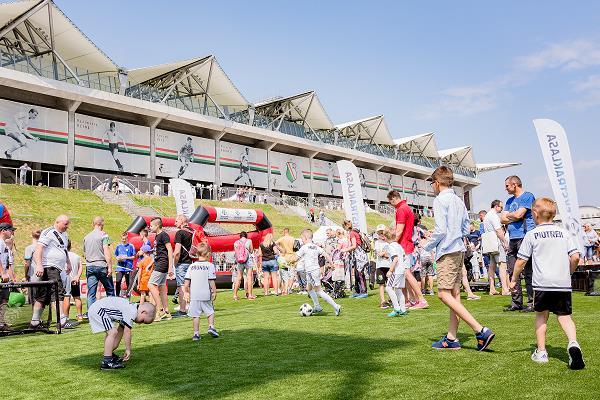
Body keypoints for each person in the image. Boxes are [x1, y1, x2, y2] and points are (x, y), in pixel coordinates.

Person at [424, 166, 495, 351]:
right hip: (458, 249)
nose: (432, 186)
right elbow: (466, 227)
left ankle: (480, 329)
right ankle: (452, 338)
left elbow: (440, 230)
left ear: (437, 183)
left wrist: (427, 246)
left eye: (432, 182)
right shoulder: (457, 200)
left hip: (447, 250)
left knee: (443, 294)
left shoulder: (440, 200)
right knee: (454, 294)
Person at [509, 198, 584, 369]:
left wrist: (513, 279)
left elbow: (521, 261)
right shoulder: (564, 233)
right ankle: (573, 344)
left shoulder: (532, 234)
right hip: (562, 283)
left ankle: (541, 352)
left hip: (542, 284)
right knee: (565, 317)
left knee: (541, 316)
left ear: (535, 214)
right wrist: (569, 272)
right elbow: (575, 257)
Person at [29, 215, 79, 330]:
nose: (67, 226)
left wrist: (68, 262)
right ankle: (62, 319)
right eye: (65, 224)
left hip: (57, 268)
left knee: (43, 296)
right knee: (57, 291)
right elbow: (39, 249)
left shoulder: (65, 235)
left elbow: (64, 250)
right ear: (57, 222)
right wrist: (39, 265)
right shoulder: (48, 232)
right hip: (49, 266)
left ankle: (34, 322)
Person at [88, 296, 155, 370]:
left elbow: (121, 330)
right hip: (98, 310)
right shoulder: (132, 311)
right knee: (112, 332)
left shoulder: (132, 308)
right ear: (143, 312)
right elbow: (127, 331)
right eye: (143, 321)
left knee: (113, 332)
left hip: (98, 309)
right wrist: (128, 349)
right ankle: (106, 362)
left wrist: (114, 347)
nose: (140, 323)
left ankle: (109, 354)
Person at [387, 190, 428, 309]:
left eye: (390, 202)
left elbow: (399, 230)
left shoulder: (401, 209)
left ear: (394, 198)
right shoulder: (406, 208)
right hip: (405, 244)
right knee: (404, 274)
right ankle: (410, 300)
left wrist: (393, 243)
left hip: (404, 246)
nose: (391, 204)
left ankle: (421, 300)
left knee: (406, 273)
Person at [500, 175, 536, 312]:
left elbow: (518, 215)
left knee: (528, 272)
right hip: (513, 239)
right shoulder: (509, 200)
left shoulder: (527, 196)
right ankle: (516, 303)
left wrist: (510, 216)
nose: (506, 188)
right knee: (511, 271)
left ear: (515, 184)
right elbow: (502, 219)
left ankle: (532, 302)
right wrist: (512, 216)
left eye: (507, 186)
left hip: (525, 237)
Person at [296, 229, 341, 316]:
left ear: (305, 237)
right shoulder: (315, 246)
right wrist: (332, 264)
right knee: (309, 288)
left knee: (319, 291)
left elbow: (296, 258)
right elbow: (326, 255)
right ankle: (317, 306)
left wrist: (289, 260)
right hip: (313, 271)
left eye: (302, 238)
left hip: (311, 271)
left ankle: (336, 306)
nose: (302, 240)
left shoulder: (304, 247)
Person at [183, 243, 219, 341]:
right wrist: (214, 292)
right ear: (207, 254)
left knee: (195, 315)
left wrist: (186, 292)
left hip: (194, 295)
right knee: (210, 311)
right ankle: (211, 326)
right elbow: (211, 281)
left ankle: (196, 334)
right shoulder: (210, 266)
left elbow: (186, 282)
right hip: (205, 294)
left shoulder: (192, 266)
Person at [83, 217, 115, 311]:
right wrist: (109, 266)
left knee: (91, 293)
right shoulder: (104, 235)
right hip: (101, 265)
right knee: (110, 290)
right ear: (102, 224)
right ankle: (112, 311)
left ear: (93, 224)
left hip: (90, 266)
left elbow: (85, 253)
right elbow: (106, 251)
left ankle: (91, 314)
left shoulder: (86, 237)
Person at [482, 200, 511, 295]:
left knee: (492, 265)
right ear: (496, 206)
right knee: (503, 265)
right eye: (501, 207)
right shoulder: (493, 216)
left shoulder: (486, 217)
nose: (501, 210)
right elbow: (498, 230)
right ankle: (505, 289)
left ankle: (492, 288)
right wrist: (505, 241)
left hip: (489, 243)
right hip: (497, 243)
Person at [148, 218, 174, 321]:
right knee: (162, 287)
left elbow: (169, 249)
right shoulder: (157, 236)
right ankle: (167, 312)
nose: (150, 228)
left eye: (151, 226)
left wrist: (170, 267)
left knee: (150, 284)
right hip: (159, 262)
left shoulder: (163, 235)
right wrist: (152, 263)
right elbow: (158, 252)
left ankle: (160, 310)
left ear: (157, 226)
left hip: (162, 263)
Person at [383, 228, 408, 317]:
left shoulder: (391, 246)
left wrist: (390, 270)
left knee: (388, 288)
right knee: (398, 290)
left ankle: (396, 308)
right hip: (402, 270)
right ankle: (403, 310)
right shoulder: (398, 245)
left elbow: (395, 258)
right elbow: (403, 257)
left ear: (385, 237)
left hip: (396, 271)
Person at [173, 215, 194, 316]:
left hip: (181, 263)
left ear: (182, 221)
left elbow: (177, 252)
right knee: (189, 285)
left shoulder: (180, 233)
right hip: (191, 262)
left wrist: (174, 263)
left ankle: (182, 310)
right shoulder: (192, 232)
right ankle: (190, 306)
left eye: (176, 221)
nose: (174, 223)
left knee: (181, 286)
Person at [342, 220, 368, 298]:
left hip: (359, 256)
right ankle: (358, 291)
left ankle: (363, 291)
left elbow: (354, 246)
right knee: (357, 274)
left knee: (360, 274)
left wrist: (345, 250)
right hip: (358, 255)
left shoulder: (352, 233)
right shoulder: (355, 232)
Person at [63, 240, 84, 322]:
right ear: (70, 246)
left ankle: (66, 317)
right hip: (75, 279)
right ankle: (80, 316)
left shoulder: (63, 256)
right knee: (77, 297)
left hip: (66, 280)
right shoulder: (76, 256)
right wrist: (78, 276)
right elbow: (81, 267)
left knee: (66, 298)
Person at [232, 231, 255, 300]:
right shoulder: (249, 241)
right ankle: (250, 295)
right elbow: (251, 251)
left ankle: (235, 295)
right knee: (249, 277)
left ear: (240, 236)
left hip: (240, 261)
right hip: (248, 260)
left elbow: (236, 253)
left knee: (238, 277)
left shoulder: (236, 242)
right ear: (246, 236)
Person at [0, 223, 15, 330]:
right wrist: (2, 273)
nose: (12, 232)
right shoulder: (0, 242)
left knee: (4, 299)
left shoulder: (4, 244)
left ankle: (2, 322)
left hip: (4, 277)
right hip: (1, 276)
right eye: (10, 230)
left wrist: (10, 276)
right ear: (4, 230)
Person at [374, 224, 391, 308]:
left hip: (389, 266)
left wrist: (384, 253)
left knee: (390, 284)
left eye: (383, 233)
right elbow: (379, 254)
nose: (381, 235)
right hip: (380, 266)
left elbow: (390, 254)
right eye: (380, 233)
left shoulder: (389, 242)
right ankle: (383, 301)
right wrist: (384, 253)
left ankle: (390, 299)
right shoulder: (377, 243)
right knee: (381, 284)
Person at [114, 233, 135, 298]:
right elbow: (116, 255)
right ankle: (117, 295)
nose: (123, 240)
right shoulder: (118, 246)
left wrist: (126, 257)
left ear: (127, 238)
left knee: (128, 281)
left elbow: (134, 257)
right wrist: (118, 258)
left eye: (125, 239)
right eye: (122, 239)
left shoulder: (131, 246)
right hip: (120, 266)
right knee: (118, 280)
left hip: (128, 267)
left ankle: (128, 295)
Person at [276, 228, 297, 294]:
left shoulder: (282, 239)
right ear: (288, 232)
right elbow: (296, 247)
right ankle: (289, 288)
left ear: (284, 232)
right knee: (291, 275)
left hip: (284, 256)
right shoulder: (292, 238)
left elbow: (275, 243)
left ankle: (282, 289)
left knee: (283, 274)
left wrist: (280, 249)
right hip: (292, 256)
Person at [24, 229, 41, 304]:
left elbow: (27, 264)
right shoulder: (45, 247)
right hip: (45, 277)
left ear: (31, 236)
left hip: (34, 277)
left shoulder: (29, 248)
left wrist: (26, 275)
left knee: (34, 300)